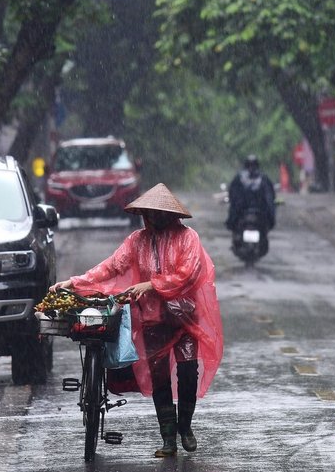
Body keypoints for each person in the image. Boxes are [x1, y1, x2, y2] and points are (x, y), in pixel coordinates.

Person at [50, 183, 224, 458]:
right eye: (147, 213)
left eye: (156, 213)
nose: (151, 218)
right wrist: (74, 282)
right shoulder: (137, 241)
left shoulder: (188, 238)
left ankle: (185, 426)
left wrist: (151, 285)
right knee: (159, 379)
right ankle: (168, 438)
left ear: (169, 214)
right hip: (154, 320)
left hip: (184, 317)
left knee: (188, 373)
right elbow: (110, 266)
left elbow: (189, 273)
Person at [226, 155, 277, 246]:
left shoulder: (239, 177)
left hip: (244, 211)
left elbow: (232, 194)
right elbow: (270, 196)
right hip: (255, 212)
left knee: (232, 217)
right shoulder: (264, 178)